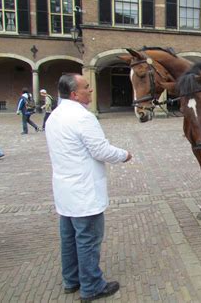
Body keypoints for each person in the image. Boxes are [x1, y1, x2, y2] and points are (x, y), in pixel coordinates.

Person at [45, 73, 132, 301]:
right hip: (84, 191)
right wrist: (124, 155)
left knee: (69, 238)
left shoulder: (54, 116)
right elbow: (100, 150)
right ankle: (92, 286)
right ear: (74, 94)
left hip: (64, 191)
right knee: (88, 239)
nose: (90, 90)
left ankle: (71, 280)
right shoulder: (83, 117)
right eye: (86, 87)